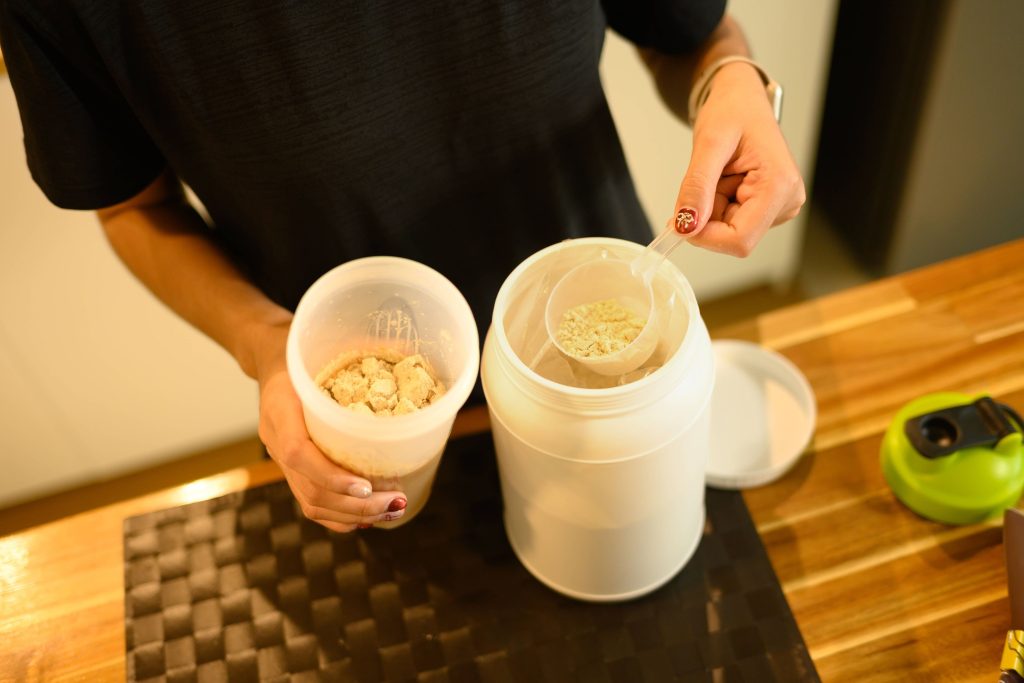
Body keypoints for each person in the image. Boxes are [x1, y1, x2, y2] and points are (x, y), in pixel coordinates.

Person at [0, 1, 804, 532]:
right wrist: (266, 344)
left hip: (612, 383)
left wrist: (731, 82)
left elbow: (689, 35)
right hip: (366, 446)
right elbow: (132, 207)